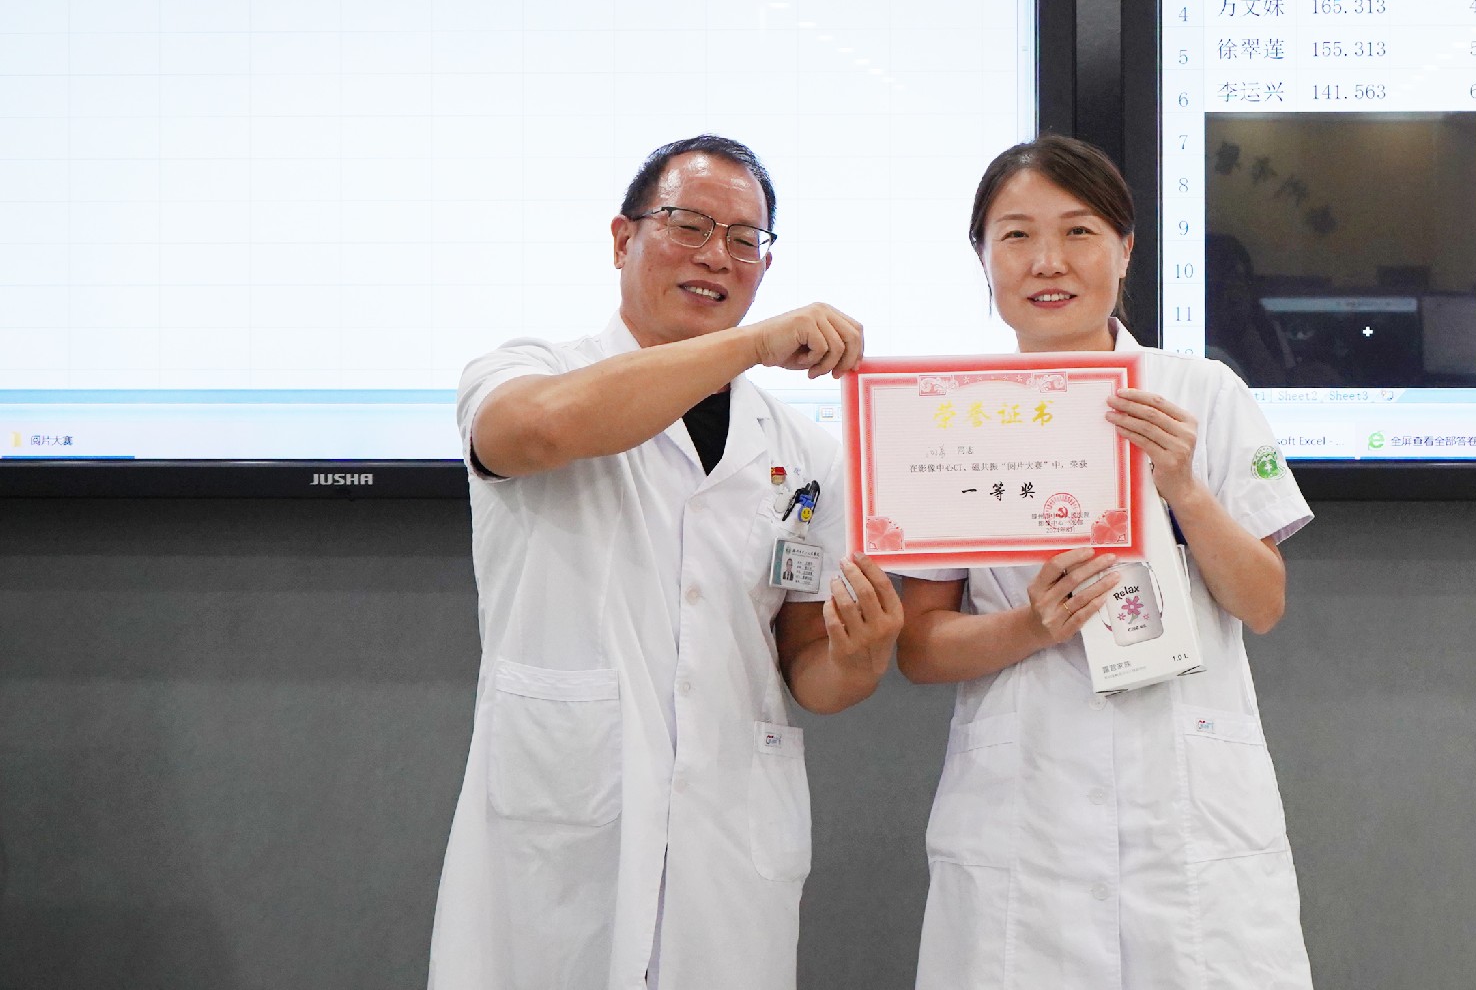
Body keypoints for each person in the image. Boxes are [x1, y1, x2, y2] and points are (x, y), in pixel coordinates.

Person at [427, 135, 904, 990]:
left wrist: (860, 658)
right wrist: (749, 344)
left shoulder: (804, 451)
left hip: (729, 836)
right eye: (689, 225)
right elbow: (538, 431)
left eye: (745, 240)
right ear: (622, 239)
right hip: (565, 817)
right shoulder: (527, 370)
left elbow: (806, 662)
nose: (717, 256)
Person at [895, 135, 1316, 989]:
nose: (1046, 261)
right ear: (982, 257)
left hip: (1187, 811)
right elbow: (919, 645)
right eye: (1015, 235)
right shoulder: (948, 416)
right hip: (1025, 810)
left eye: (1078, 231)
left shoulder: (1202, 393)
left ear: (1124, 249)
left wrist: (1184, 489)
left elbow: (1262, 601)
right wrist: (1029, 624)